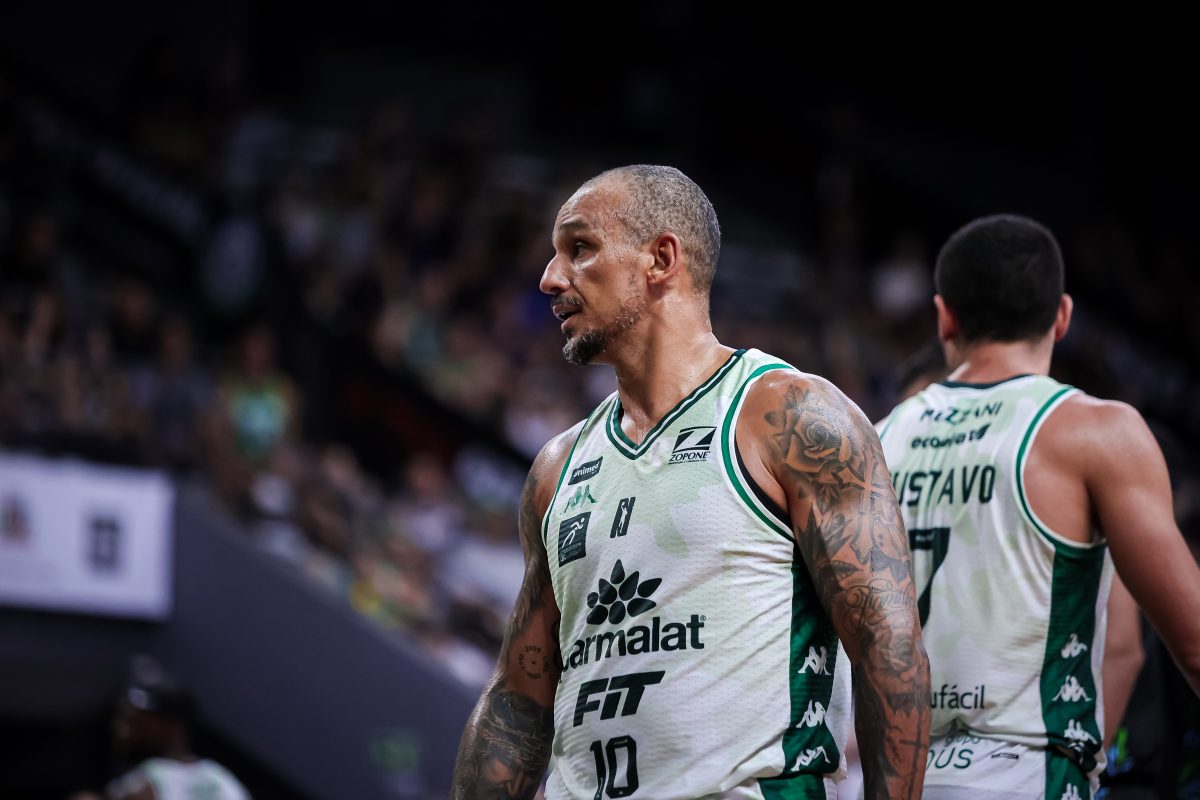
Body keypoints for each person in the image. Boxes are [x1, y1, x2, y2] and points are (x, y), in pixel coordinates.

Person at [452, 165, 930, 799]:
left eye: (579, 248)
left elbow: (887, 647)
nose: (550, 277)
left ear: (661, 259)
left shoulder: (787, 416)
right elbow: (518, 700)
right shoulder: (557, 467)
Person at [876, 214, 1200, 798]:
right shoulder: (1094, 432)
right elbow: (1192, 643)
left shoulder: (874, 439)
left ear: (944, 317)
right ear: (1063, 316)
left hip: (902, 776)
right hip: (1027, 776)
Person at [72, 656, 250, 800]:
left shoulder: (143, 785)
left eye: (137, 723)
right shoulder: (221, 778)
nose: (121, 729)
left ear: (171, 726)